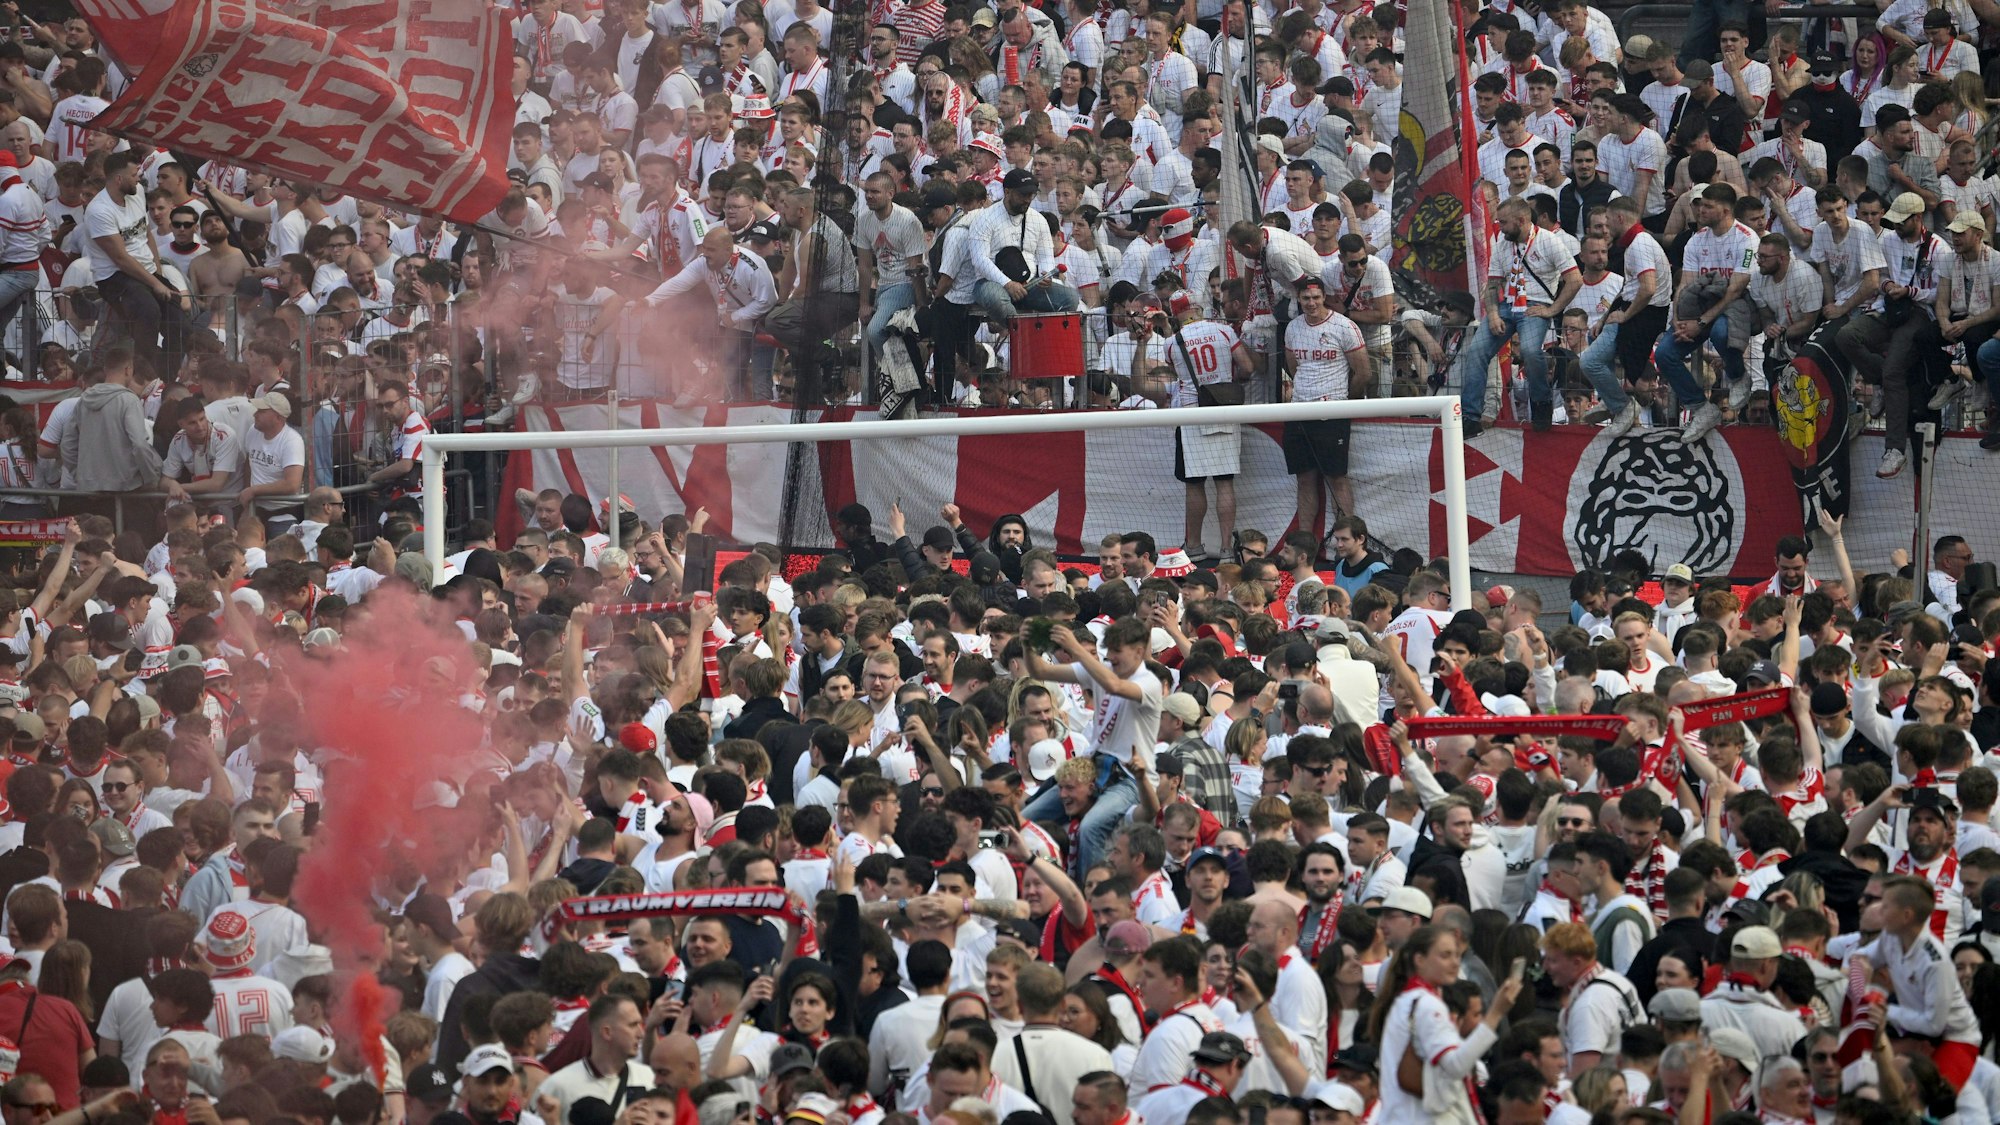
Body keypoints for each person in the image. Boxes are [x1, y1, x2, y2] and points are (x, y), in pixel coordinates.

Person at [1452, 197, 1579, 434]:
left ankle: (1541, 404)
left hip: (1536, 305)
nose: (1499, 227)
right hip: (1507, 305)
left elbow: (1575, 279)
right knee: (1477, 350)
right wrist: (1492, 314)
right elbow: (1491, 285)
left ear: (1521, 221)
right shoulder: (1503, 242)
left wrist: (1552, 309)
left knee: (1531, 350)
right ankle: (1470, 416)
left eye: (1503, 223)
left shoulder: (1549, 242)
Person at [1372, 924, 1521, 1125]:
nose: (1454, 963)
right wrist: (1495, 1013)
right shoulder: (1427, 1004)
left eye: (1457, 955)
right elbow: (1456, 1065)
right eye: (1445, 956)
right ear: (1420, 960)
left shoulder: (1407, 999)